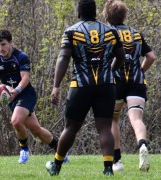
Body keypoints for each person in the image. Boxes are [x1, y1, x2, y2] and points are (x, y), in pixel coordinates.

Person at [45, 0, 126, 176]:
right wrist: (109, 71)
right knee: (105, 127)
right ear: (96, 12)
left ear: (78, 12)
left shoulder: (71, 31)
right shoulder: (111, 31)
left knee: (71, 128)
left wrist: (56, 86)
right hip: (106, 85)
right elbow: (121, 57)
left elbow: (64, 57)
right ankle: (107, 169)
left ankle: (56, 165)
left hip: (81, 85)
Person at [0, 30, 68, 164]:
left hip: (26, 94)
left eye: (3, 44)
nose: (0, 48)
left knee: (15, 121)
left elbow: (25, 78)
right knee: (36, 130)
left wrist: (17, 90)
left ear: (11, 43)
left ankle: (24, 150)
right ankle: (60, 150)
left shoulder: (21, 57)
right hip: (11, 98)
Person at [102, 0, 156, 172]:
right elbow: (151, 57)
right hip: (136, 82)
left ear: (107, 16)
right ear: (124, 15)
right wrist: (140, 70)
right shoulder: (135, 33)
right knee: (136, 119)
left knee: (112, 120)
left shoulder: (107, 33)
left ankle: (117, 161)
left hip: (116, 82)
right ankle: (142, 145)